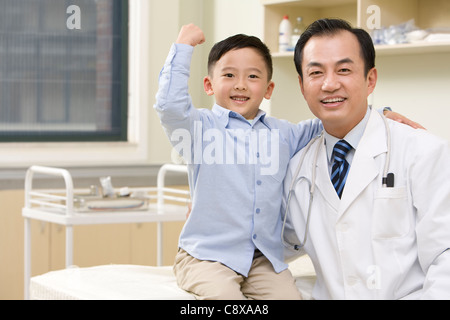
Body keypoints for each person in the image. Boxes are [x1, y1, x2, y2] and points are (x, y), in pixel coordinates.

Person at [154, 24, 417, 300]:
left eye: (252, 76)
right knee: (223, 297)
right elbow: (169, 105)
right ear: (209, 85)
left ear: (268, 89)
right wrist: (183, 47)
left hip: (262, 260)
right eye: (229, 75)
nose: (241, 84)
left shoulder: (284, 134)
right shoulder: (199, 129)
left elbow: (332, 121)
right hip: (206, 256)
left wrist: (382, 114)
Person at [282, 18, 450, 299]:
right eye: (316, 73)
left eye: (344, 70)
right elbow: (276, 244)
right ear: (301, 85)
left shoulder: (422, 150)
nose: (330, 84)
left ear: (370, 79)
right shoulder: (296, 166)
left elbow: (445, 255)